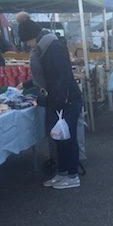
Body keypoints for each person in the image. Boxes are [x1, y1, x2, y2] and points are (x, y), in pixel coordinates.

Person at [18, 16, 83, 190]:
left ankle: (72, 174)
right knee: (59, 138)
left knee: (68, 138)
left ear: (32, 37)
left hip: (66, 99)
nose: (28, 45)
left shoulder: (53, 48)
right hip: (58, 99)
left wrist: (58, 100)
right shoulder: (45, 48)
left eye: (27, 41)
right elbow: (46, 74)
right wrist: (26, 84)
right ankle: (62, 172)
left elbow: (63, 76)